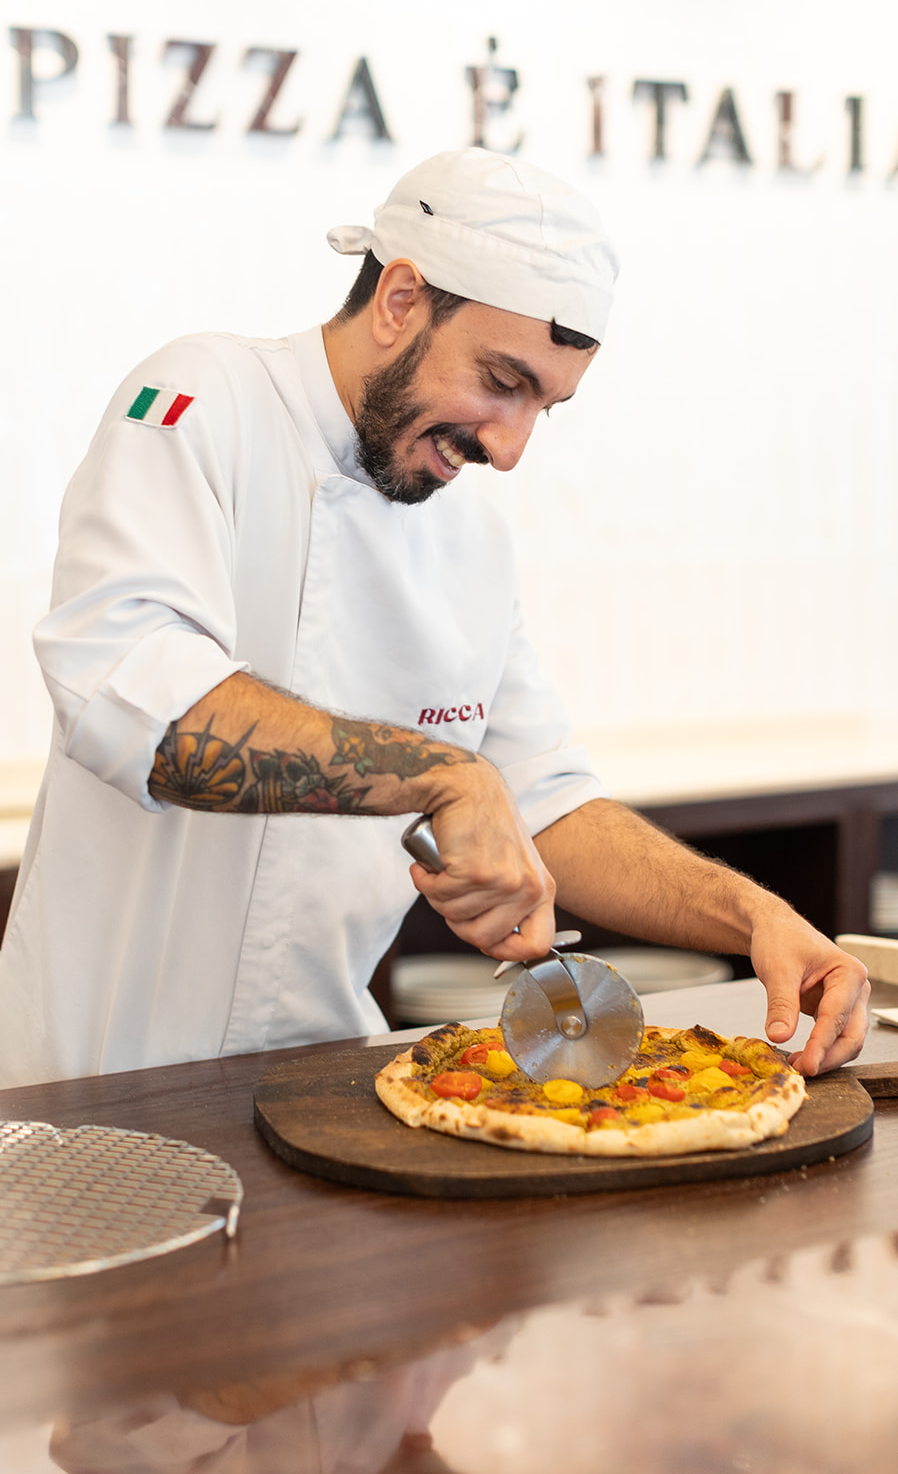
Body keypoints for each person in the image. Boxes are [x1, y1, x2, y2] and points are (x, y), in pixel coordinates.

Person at [0, 149, 868, 1088]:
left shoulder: (471, 534)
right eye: (502, 380)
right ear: (403, 298)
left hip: (320, 1084)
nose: (509, 446)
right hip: (95, 1087)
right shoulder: (198, 401)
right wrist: (446, 777)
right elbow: (138, 709)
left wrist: (754, 918)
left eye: (546, 405)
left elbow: (547, 803)